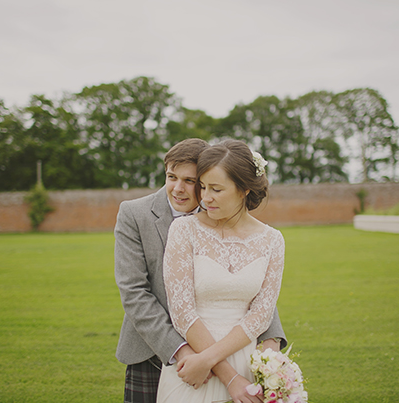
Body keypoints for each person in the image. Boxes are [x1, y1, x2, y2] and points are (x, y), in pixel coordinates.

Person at [114, 138, 287, 403]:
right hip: (155, 350)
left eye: (192, 181)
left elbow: (253, 292)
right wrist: (184, 352)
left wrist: (271, 347)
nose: (179, 189)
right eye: (171, 177)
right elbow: (135, 293)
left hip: (235, 350)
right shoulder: (136, 214)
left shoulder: (257, 230)